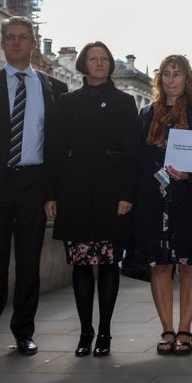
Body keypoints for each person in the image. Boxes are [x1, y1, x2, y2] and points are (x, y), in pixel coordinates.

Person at [0, 16, 68, 363]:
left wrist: (54, 192)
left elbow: (58, 146)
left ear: (34, 44)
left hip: (34, 185)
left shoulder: (54, 89)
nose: (17, 43)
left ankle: (24, 333)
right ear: (3, 44)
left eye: (23, 37)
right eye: (10, 37)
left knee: (28, 265)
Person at [43, 41, 139, 357]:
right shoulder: (67, 102)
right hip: (74, 194)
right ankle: (86, 333)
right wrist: (50, 194)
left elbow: (133, 153)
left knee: (109, 264)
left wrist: (127, 194)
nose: (99, 63)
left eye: (104, 59)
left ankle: (106, 333)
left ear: (110, 64)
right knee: (81, 265)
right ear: (83, 65)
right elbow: (53, 149)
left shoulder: (125, 102)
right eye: (93, 59)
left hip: (112, 197)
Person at [133, 54, 192, 356]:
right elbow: (138, 160)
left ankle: (185, 330)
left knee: (191, 266)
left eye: (177, 74)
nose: (171, 79)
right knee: (159, 266)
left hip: (191, 200)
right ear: (160, 79)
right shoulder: (146, 114)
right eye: (167, 74)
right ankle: (167, 330)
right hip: (154, 203)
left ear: (187, 79)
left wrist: (189, 174)